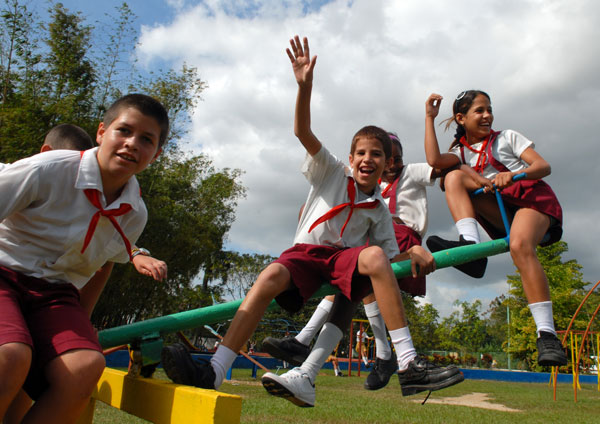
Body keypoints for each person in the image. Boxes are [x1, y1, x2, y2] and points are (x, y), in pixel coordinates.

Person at [0, 94, 169, 423]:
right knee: (10, 355)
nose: (132, 144)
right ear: (102, 132)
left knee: (85, 367)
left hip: (54, 293)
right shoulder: (49, 170)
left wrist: (79, 322)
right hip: (3, 271)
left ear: (156, 154)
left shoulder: (134, 214)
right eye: (124, 131)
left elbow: (103, 264)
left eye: (146, 139)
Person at [262, 133, 445, 391]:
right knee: (348, 282)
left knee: (360, 272)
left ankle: (379, 352)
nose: (392, 165)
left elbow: (440, 166)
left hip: (403, 237)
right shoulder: (372, 190)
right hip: (375, 241)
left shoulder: (410, 175)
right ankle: (369, 355)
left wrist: (430, 118)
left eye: (394, 159)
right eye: (387, 158)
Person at [423, 90, 567, 367]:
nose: (487, 115)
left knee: (519, 246)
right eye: (479, 111)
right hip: (500, 209)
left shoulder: (506, 138)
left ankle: (547, 335)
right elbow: (434, 161)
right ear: (461, 118)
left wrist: (511, 174)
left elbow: (543, 165)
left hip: (532, 203)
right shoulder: (460, 153)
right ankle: (471, 247)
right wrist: (429, 118)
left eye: (489, 109)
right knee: (452, 177)